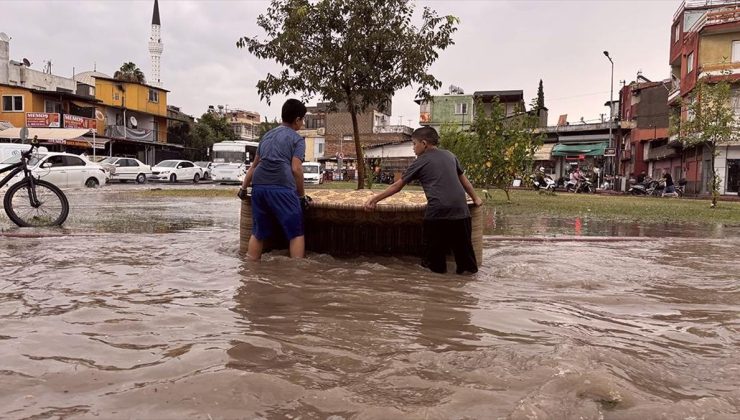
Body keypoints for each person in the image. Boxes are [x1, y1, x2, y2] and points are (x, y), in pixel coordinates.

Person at [364, 126, 483, 274]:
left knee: (434, 265)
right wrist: (476, 198)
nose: (413, 148)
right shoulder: (450, 155)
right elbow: (465, 181)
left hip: (437, 214)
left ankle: (432, 290)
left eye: (414, 144)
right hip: (461, 213)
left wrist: (374, 199)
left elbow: (397, 186)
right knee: (466, 263)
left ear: (424, 144)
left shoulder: (420, 161)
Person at [239, 98, 308, 260]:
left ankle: (250, 270)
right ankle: (298, 275)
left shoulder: (267, 136)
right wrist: (302, 196)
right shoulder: (297, 140)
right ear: (297, 120)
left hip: (259, 187)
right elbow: (296, 169)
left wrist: (243, 188)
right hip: (282, 186)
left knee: (258, 233)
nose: (303, 123)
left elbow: (254, 166)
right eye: (303, 119)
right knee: (296, 233)